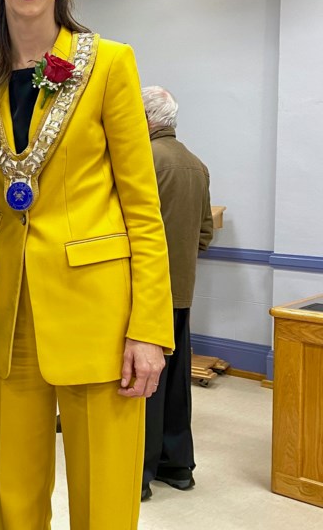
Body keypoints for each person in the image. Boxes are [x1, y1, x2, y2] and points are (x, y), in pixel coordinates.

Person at [0, 0, 173, 530]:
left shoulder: (108, 63)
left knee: (103, 501)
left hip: (101, 316)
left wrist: (149, 329)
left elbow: (143, 207)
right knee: (15, 500)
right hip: (13, 311)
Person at [141, 86, 213, 502]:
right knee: (175, 383)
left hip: (145, 292)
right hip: (181, 291)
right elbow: (205, 233)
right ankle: (178, 466)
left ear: (146, 118)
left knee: (143, 384)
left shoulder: (143, 160)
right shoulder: (197, 165)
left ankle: (141, 473)